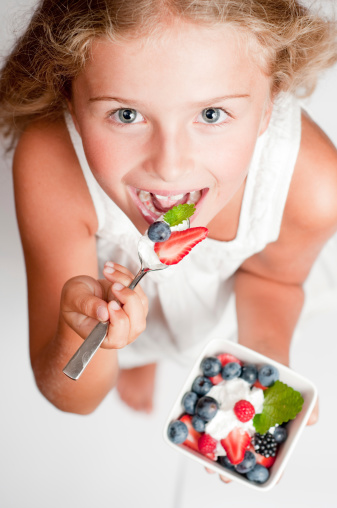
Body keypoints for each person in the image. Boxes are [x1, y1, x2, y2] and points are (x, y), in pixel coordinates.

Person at [0, 0, 336, 426]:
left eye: (211, 114)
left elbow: (272, 278)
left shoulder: (312, 187)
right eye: (127, 115)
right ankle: (140, 355)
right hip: (115, 303)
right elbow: (74, 399)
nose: (169, 166)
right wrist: (90, 335)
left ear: (270, 104)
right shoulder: (51, 166)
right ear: (70, 100)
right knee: (131, 335)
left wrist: (262, 367)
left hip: (227, 304)